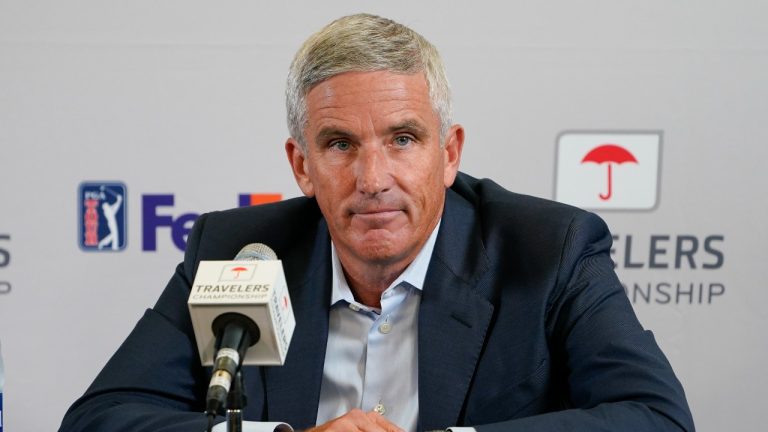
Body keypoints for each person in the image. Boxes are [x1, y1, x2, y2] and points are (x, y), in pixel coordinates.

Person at [60, 13, 695, 432]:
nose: (372, 178)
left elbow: (657, 418)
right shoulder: (240, 252)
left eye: (402, 138)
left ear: (448, 153)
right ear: (301, 166)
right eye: (339, 144)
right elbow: (101, 418)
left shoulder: (547, 251)